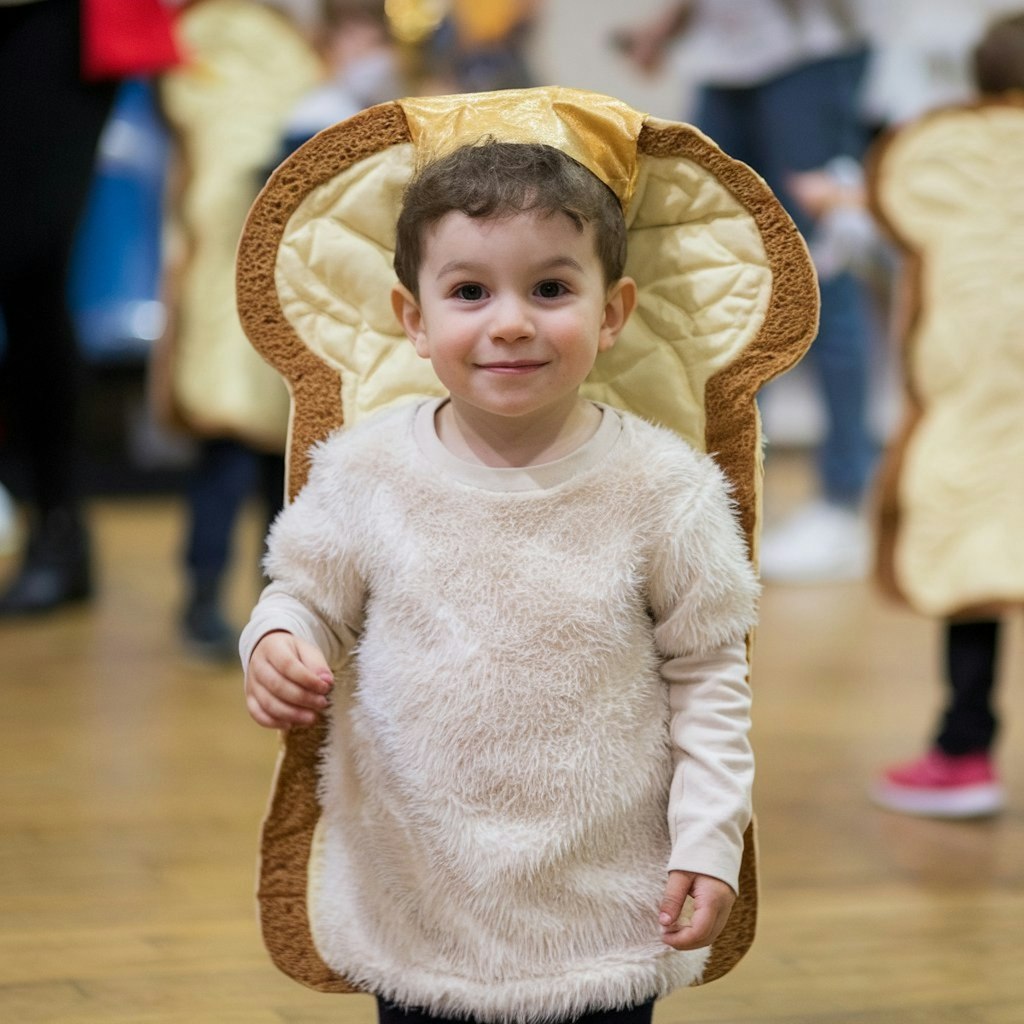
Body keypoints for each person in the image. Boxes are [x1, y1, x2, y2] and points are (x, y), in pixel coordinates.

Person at [240, 140, 761, 1024]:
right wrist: (278, 640)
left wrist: (710, 843)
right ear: (413, 317)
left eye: (551, 289)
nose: (511, 322)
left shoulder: (665, 489)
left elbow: (709, 671)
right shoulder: (365, 471)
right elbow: (304, 592)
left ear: (613, 311)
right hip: (420, 897)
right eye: (470, 292)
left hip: (601, 910)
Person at [619, 0, 878, 583]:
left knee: (821, 274)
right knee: (721, 274)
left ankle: (843, 504)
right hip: (725, 62)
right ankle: (729, 499)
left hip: (808, 56)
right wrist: (666, 29)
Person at [871, 10, 1024, 819]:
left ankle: (965, 752)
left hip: (976, 415)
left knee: (974, 574)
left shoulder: (943, 153)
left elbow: (896, 212)